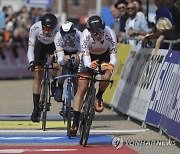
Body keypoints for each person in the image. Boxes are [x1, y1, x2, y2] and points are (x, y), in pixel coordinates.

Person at [69, 15, 117, 136]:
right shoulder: (85, 36)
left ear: (103, 28)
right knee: (82, 88)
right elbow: (85, 57)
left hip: (104, 56)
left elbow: (113, 57)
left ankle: (99, 96)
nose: (97, 35)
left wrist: (111, 65)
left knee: (106, 76)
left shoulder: (110, 34)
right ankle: (75, 122)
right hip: (89, 57)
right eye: (93, 33)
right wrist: (90, 65)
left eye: (99, 32)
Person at [27, 13, 59, 122]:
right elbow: (30, 48)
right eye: (45, 28)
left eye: (49, 29)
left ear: (53, 28)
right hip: (39, 45)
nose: (46, 31)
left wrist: (54, 57)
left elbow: (59, 50)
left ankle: (55, 81)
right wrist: (31, 62)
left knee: (56, 64)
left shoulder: (58, 32)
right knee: (37, 75)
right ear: (41, 25)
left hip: (53, 46)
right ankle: (36, 109)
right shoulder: (35, 28)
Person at [53, 21, 82, 102]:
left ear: (74, 34)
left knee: (75, 75)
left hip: (76, 51)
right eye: (65, 37)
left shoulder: (80, 36)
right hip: (63, 51)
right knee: (62, 68)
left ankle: (76, 101)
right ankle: (59, 85)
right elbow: (60, 61)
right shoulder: (58, 37)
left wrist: (77, 58)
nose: (68, 40)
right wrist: (63, 59)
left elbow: (81, 54)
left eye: (70, 36)